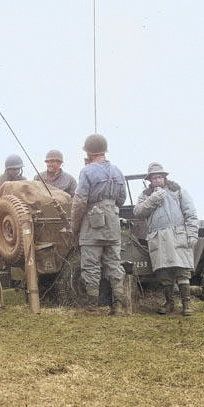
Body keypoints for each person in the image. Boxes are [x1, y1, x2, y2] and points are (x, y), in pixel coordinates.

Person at [70, 134, 128, 314]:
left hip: (92, 224)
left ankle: (92, 306)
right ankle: (118, 305)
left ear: (88, 152)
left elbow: (79, 202)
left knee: (91, 265)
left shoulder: (86, 171)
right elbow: (122, 199)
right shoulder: (118, 171)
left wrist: (75, 226)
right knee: (114, 264)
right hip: (112, 223)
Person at [133, 162, 198, 316]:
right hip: (158, 238)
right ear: (150, 180)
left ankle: (186, 304)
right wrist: (154, 198)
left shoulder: (177, 191)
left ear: (165, 177)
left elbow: (191, 213)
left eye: (160, 177)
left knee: (182, 271)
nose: (157, 180)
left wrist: (192, 233)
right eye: (154, 178)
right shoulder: (145, 195)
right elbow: (138, 212)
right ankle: (169, 303)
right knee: (163, 273)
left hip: (178, 235)